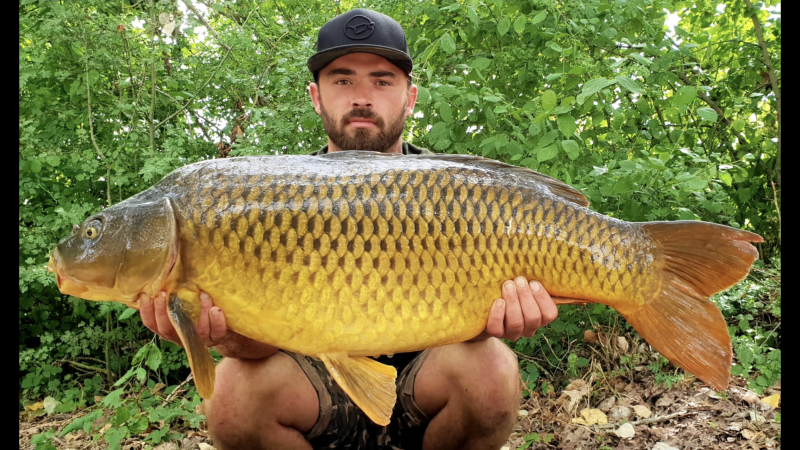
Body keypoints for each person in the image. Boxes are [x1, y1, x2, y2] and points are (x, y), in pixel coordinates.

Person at [137, 8, 558, 449]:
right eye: (342, 80)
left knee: (492, 372)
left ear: (409, 97)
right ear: (316, 96)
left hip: (427, 390)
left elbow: (469, 328)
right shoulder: (275, 197)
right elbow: (257, 349)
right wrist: (220, 335)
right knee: (229, 393)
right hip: (312, 395)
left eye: (381, 80)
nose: (362, 97)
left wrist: (501, 318)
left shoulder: (455, 193)